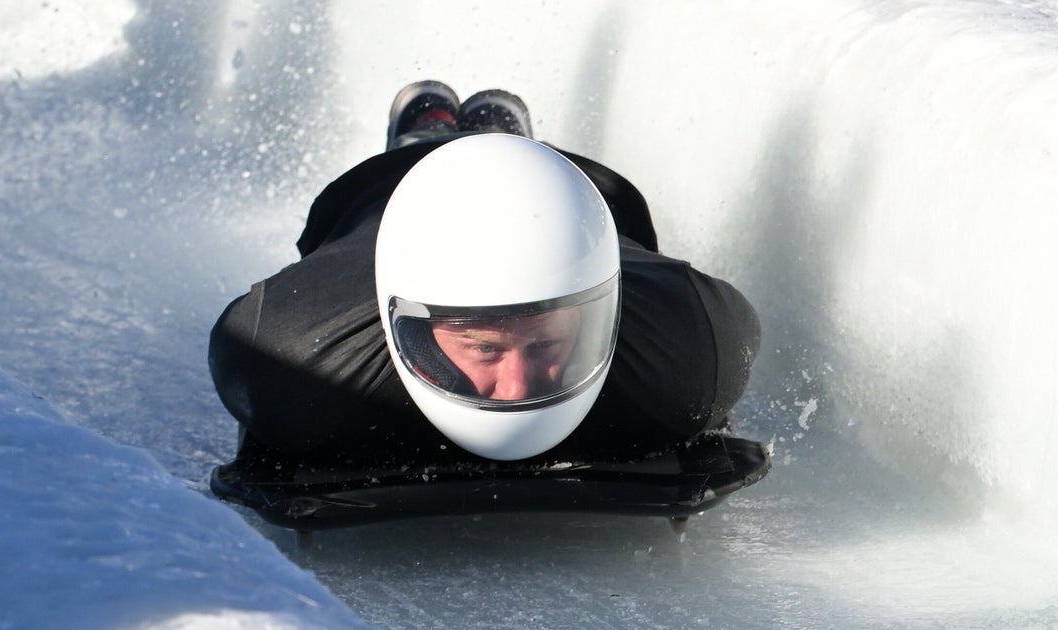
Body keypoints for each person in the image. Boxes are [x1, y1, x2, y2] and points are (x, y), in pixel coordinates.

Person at [208, 81, 760, 470]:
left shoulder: (691, 352)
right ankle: (429, 145)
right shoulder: (291, 363)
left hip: (569, 199)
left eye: (545, 343)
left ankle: (489, 143)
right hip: (383, 199)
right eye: (485, 348)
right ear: (415, 331)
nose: (518, 388)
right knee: (383, 195)